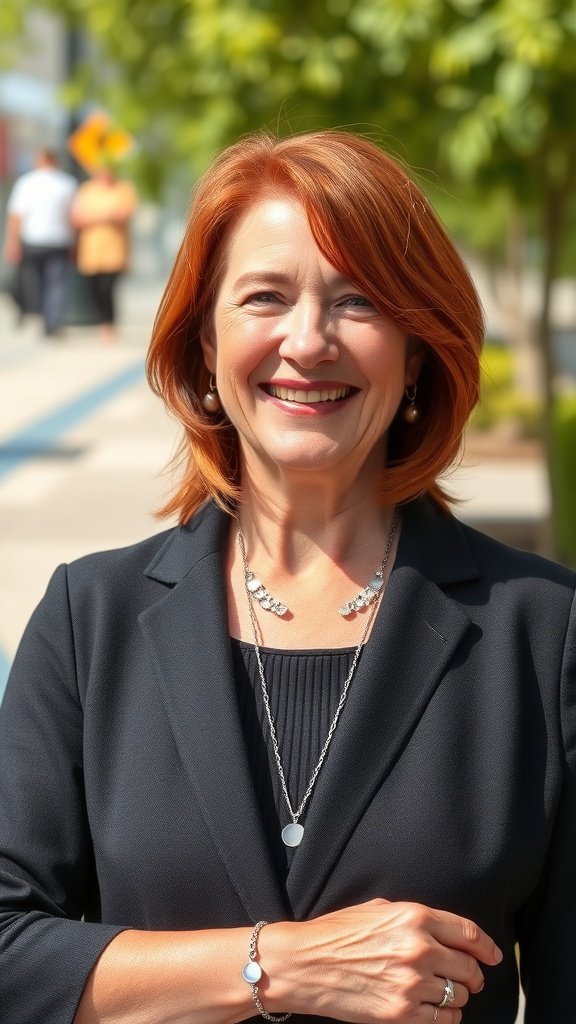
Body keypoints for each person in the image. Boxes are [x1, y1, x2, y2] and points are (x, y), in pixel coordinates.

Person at [0, 129, 574, 1024]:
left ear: (418, 350)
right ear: (203, 345)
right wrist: (282, 965)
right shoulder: (88, 620)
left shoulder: (543, 633)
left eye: (358, 303)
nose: (307, 342)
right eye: (266, 297)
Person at [2, 148, 77, 336]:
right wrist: (75, 242)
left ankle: (38, 313)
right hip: (59, 239)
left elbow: (16, 216)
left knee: (34, 282)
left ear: (39, 161)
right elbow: (73, 217)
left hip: (32, 239)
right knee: (56, 283)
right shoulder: (68, 183)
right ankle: (51, 322)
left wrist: (11, 242)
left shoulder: (27, 182)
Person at [70, 164, 137, 341]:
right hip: (91, 250)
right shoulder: (86, 190)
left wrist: (96, 216)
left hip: (115, 250)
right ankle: (103, 321)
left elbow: (125, 213)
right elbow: (77, 218)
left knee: (107, 287)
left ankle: (109, 323)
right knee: (94, 288)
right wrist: (106, 215)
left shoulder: (123, 189)